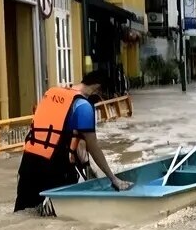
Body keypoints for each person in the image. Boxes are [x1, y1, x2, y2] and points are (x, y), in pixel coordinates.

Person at [14, 69, 131, 213]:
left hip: (28, 162)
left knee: (23, 213)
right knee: (58, 218)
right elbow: (92, 146)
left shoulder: (53, 93)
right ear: (98, 89)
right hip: (54, 167)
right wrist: (114, 179)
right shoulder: (83, 107)